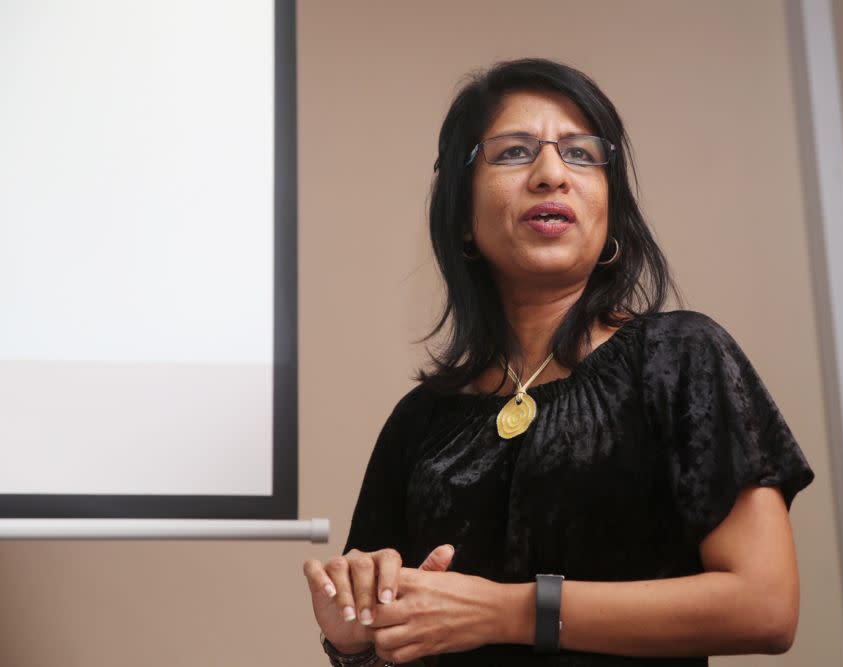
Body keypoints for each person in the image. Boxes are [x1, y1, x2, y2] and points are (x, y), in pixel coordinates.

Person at [302, 58, 815, 666]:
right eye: (514, 153)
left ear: (610, 210)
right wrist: (352, 639)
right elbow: (391, 637)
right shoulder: (420, 422)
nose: (551, 174)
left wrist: (502, 611)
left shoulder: (681, 358)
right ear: (463, 218)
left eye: (580, 153)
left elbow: (764, 607)